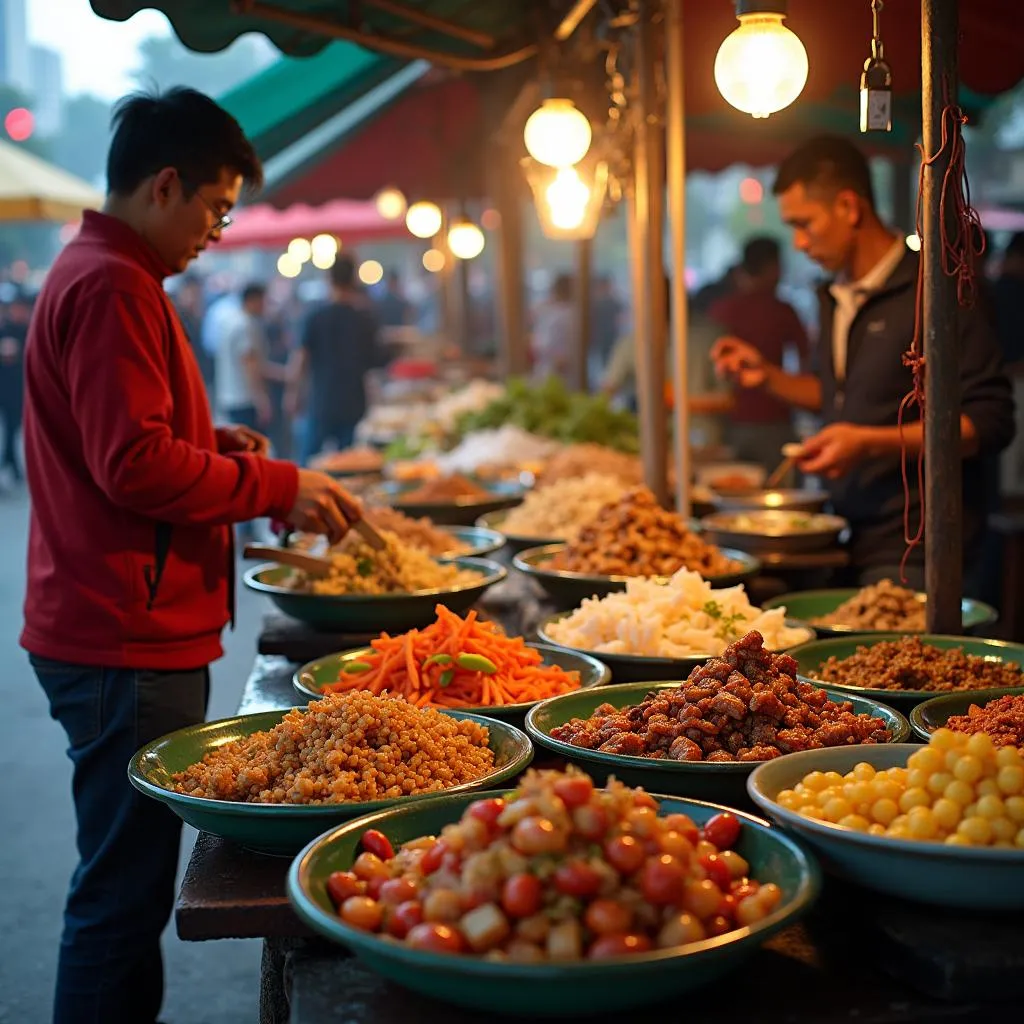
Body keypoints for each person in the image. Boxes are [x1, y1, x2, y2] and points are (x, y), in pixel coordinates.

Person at [21, 87, 361, 1024]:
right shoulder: (111, 284)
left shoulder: (115, 274)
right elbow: (133, 464)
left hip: (123, 620)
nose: (218, 229)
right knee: (119, 899)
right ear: (164, 184)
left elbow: (141, 441)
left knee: (124, 892)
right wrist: (278, 485)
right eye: (214, 207)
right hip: (120, 631)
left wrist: (225, 452)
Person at [712, 136, 1014, 588]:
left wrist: (867, 443)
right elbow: (842, 398)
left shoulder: (936, 291)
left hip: (920, 543)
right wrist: (769, 377)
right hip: (847, 529)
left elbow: (988, 422)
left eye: (805, 224)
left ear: (849, 208)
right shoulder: (836, 296)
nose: (797, 243)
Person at [709, 236, 810, 472]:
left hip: (730, 422)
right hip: (775, 418)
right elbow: (808, 362)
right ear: (772, 268)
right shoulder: (783, 311)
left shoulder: (720, 311)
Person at [287, 253, 388, 463]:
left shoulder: (315, 316)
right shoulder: (364, 319)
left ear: (329, 280)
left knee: (308, 460)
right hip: (353, 400)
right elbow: (376, 360)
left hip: (322, 399)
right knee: (350, 462)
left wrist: (293, 393)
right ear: (354, 280)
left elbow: (301, 359)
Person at [215, 281, 274, 429]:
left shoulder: (231, 321)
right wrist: (261, 400)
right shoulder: (246, 325)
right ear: (253, 300)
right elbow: (249, 363)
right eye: (263, 301)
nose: (265, 307)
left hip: (230, 397)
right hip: (245, 400)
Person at [0, 288, 30, 483]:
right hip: (4, 385)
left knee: (14, 427)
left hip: (19, 387)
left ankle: (9, 460)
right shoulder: (5, 329)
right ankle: (10, 462)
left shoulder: (27, 330)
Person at [531, 273, 574, 381]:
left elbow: (544, 343)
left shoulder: (565, 314)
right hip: (548, 367)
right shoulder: (552, 311)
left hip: (558, 369)